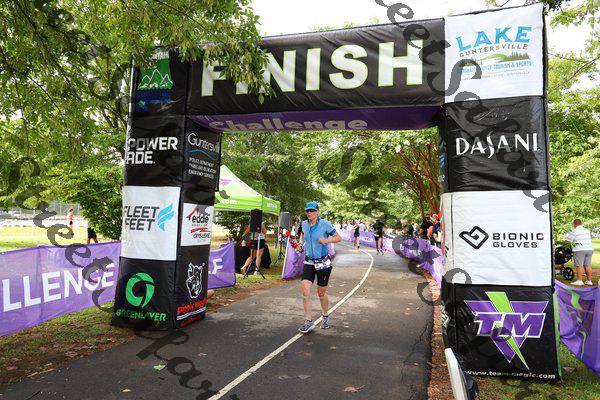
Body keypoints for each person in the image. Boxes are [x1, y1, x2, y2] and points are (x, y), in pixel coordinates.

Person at [297, 201, 341, 333]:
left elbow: (338, 238)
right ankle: (309, 321)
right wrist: (300, 245)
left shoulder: (325, 224)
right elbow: (303, 236)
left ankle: (325, 316)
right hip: (309, 262)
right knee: (305, 290)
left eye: (312, 210)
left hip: (323, 263)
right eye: (307, 210)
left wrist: (326, 240)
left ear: (317, 212)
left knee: (321, 293)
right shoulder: (304, 224)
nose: (309, 212)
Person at [566, 219, 594, 286]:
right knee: (587, 265)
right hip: (589, 249)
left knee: (579, 265)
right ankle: (589, 281)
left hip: (579, 250)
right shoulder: (586, 230)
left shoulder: (574, 231)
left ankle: (579, 281)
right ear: (581, 224)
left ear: (574, 224)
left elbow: (568, 241)